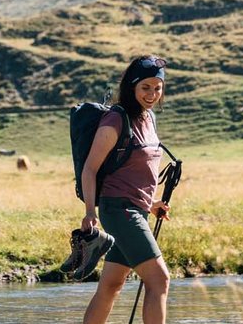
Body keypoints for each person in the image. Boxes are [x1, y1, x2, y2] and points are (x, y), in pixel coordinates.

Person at [80, 55, 171, 324]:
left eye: (158, 87)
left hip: (136, 210)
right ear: (131, 86)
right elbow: (90, 169)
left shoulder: (149, 118)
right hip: (119, 212)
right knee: (159, 280)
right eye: (146, 87)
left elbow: (134, 170)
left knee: (110, 286)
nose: (152, 94)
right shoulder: (115, 120)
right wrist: (89, 212)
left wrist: (151, 203)